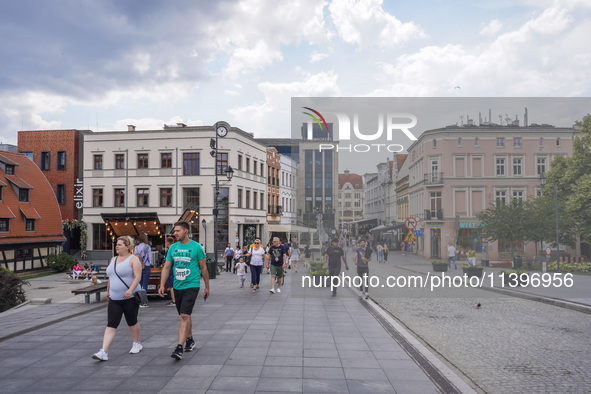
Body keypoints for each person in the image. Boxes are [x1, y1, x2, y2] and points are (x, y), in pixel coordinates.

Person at [159, 221, 209, 361]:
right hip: (178, 286)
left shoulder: (196, 247)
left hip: (192, 285)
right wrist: (162, 284)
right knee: (185, 315)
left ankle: (179, 347)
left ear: (186, 231)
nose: (175, 233)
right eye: (174, 231)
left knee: (184, 316)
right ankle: (190, 340)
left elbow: (204, 268)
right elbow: (167, 267)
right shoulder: (173, 248)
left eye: (178, 231)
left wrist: (207, 287)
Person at [92, 236, 143, 361]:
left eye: (120, 244)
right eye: (116, 244)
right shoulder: (113, 259)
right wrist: (108, 291)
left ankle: (136, 343)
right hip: (115, 298)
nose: (117, 246)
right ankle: (104, 351)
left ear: (127, 247)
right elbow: (111, 276)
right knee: (111, 324)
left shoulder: (133, 259)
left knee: (132, 321)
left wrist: (130, 290)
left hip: (129, 297)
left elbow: (138, 277)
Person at [133, 233, 152, 307]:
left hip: (138, 266)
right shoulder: (148, 247)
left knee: (139, 283)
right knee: (145, 284)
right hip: (146, 266)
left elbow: (134, 257)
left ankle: (138, 300)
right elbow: (150, 258)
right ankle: (144, 301)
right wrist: (147, 263)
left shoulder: (136, 247)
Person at [164, 236, 176, 307]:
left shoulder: (169, 250)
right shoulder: (174, 249)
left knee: (171, 285)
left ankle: (174, 300)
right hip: (174, 268)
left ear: (167, 243)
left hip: (170, 269)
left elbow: (168, 262)